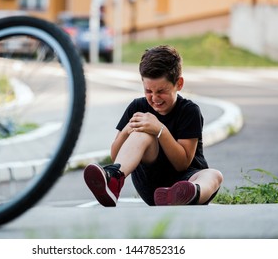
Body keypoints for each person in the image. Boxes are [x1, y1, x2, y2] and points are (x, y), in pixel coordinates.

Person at [83, 45, 223, 207]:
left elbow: (182, 163)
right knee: (141, 133)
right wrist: (127, 131)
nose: (155, 98)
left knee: (214, 175)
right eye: (148, 91)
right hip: (152, 187)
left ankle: (188, 194)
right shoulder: (137, 107)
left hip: (187, 178)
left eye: (161, 91)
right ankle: (113, 181)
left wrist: (160, 130)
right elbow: (115, 157)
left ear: (179, 83)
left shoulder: (189, 111)